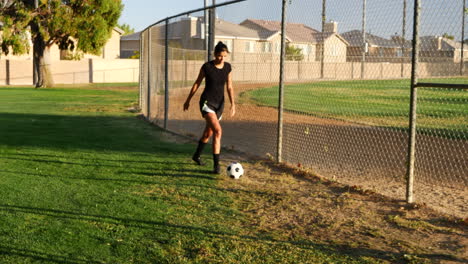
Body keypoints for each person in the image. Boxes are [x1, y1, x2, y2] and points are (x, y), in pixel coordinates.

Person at [183, 41, 235, 174]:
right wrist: (188, 99)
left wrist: (233, 104)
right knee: (218, 131)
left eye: (224, 56)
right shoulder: (207, 67)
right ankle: (216, 167)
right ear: (215, 54)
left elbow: (229, 86)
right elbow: (197, 83)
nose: (221, 58)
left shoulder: (228, 67)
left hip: (220, 104)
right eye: (219, 55)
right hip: (207, 103)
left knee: (208, 133)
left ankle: (196, 156)